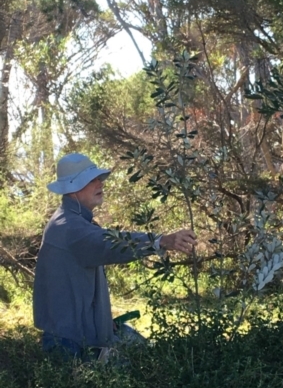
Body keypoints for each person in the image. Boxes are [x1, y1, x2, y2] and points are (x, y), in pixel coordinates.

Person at [33, 153, 196, 361]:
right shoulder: (69, 227)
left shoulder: (72, 221)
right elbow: (109, 243)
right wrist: (161, 241)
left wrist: (102, 321)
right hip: (70, 345)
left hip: (75, 338)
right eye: (91, 180)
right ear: (73, 189)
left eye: (98, 178)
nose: (100, 183)